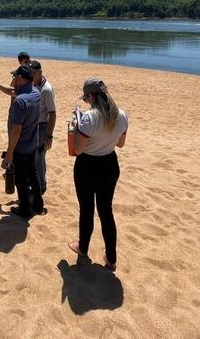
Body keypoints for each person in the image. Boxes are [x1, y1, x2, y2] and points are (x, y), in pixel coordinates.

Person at [68, 77, 128, 271]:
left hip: (87, 166)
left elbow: (78, 149)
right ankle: (111, 259)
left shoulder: (89, 118)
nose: (86, 101)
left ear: (92, 96)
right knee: (106, 212)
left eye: (86, 98)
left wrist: (75, 127)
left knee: (86, 209)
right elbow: (120, 144)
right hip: (109, 165)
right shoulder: (121, 115)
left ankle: (83, 248)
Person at [3, 65, 45, 219]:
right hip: (32, 143)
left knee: (21, 180)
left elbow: (16, 130)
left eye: (15, 77)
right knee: (33, 174)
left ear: (20, 78)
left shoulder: (20, 101)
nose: (13, 79)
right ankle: (38, 205)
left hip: (21, 147)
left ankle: (25, 209)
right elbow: (12, 91)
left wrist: (9, 153)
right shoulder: (36, 93)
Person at [30, 60, 56, 194]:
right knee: (34, 157)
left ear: (40, 72)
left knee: (39, 158)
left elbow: (52, 113)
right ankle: (37, 183)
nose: (31, 76)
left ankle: (41, 186)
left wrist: (49, 135)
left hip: (41, 127)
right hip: (33, 126)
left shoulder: (46, 90)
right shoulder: (33, 83)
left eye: (33, 73)